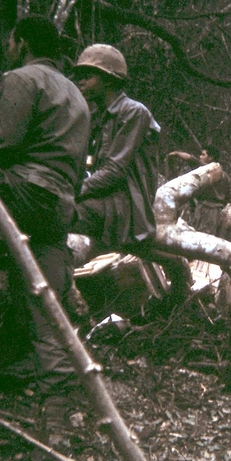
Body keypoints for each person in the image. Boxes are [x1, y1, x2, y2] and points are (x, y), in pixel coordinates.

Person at [0, 15, 90, 392]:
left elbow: (4, 144)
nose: (9, 48)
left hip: (24, 193)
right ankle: (52, 393)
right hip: (58, 208)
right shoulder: (78, 94)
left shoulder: (23, 78)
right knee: (45, 313)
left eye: (12, 42)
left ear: (23, 43)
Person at [72, 43, 191, 297]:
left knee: (64, 213)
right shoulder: (98, 117)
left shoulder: (134, 112)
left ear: (109, 80)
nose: (80, 81)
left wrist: (74, 191)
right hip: (106, 197)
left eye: (88, 75)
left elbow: (114, 170)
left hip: (124, 201)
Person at [166, 145, 230, 235]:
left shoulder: (208, 169)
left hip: (206, 208)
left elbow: (191, 159)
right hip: (217, 210)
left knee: (203, 235)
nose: (200, 157)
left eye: (203, 155)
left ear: (211, 157)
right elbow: (228, 197)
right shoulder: (226, 176)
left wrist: (176, 153)